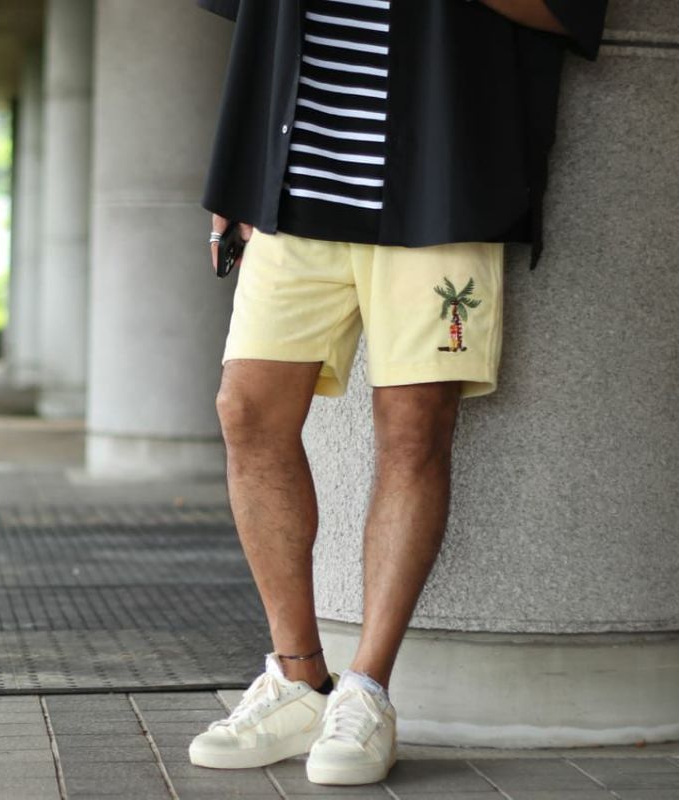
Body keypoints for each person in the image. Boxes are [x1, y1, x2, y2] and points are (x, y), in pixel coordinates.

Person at [189, 0, 608, 786]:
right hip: (292, 183)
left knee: (414, 428)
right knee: (247, 412)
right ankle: (298, 679)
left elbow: (570, 10)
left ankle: (367, 690)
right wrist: (238, 171)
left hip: (438, 185)